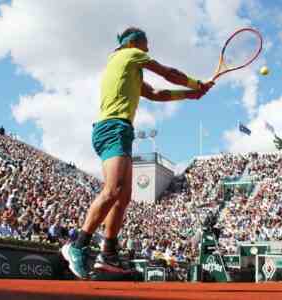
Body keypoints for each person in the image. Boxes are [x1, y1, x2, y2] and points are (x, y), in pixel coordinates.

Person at [61, 27, 214, 279]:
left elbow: (155, 93)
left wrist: (190, 95)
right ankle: (78, 245)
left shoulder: (126, 66)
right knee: (113, 190)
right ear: (134, 43)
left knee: (123, 197)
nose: (148, 50)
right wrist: (196, 84)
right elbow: (168, 74)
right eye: (146, 45)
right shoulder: (129, 54)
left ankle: (108, 254)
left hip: (117, 129)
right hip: (113, 127)